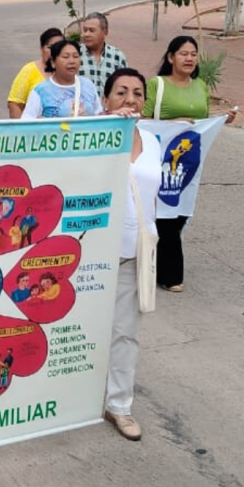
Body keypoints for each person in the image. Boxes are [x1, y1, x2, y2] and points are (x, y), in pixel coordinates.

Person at [142, 35, 236, 293]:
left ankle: (153, 262)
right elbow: (144, 119)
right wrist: (173, 124)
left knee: (181, 211)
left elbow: (201, 123)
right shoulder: (158, 85)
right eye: (183, 53)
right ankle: (171, 275)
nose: (189, 58)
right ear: (171, 57)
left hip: (189, 163)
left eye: (193, 54)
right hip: (161, 158)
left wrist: (221, 119)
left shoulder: (201, 86)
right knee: (165, 212)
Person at [98, 67, 159, 442]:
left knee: (125, 333)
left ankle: (118, 405)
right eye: (121, 92)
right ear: (105, 99)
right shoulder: (90, 135)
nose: (130, 100)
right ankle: (68, 401)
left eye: (137, 93)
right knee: (82, 329)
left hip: (134, 252)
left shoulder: (151, 141)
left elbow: (154, 197)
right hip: (91, 254)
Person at [20, 40, 101, 119]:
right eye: (66, 57)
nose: (72, 61)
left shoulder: (88, 85)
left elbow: (100, 115)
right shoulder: (41, 91)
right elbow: (27, 120)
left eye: (76, 56)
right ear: (53, 62)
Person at [7, 27, 64, 118]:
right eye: (50, 47)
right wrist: (22, 126)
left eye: (59, 47)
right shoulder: (29, 70)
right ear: (41, 49)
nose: (54, 51)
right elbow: (15, 104)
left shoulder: (68, 73)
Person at [78, 12, 129, 93]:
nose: (86, 34)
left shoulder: (117, 57)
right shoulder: (75, 55)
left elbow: (125, 86)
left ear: (105, 32)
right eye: (85, 30)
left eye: (91, 30)